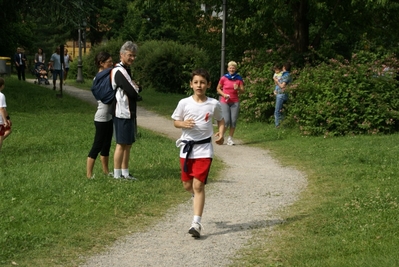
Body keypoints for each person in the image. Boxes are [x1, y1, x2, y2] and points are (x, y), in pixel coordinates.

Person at [171, 68, 225, 238]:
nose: (199, 85)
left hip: (204, 150)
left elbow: (220, 120)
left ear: (208, 84)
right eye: (196, 82)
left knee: (198, 185)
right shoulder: (184, 103)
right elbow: (175, 122)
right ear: (191, 84)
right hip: (187, 150)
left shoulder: (213, 103)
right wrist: (183, 124)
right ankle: (197, 197)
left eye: (202, 82)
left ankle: (196, 223)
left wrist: (221, 134)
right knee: (188, 185)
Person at [111, 41, 141, 180]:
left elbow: (135, 88)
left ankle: (125, 172)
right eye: (130, 55)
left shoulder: (126, 70)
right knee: (121, 144)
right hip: (122, 111)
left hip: (129, 112)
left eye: (134, 56)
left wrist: (136, 89)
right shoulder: (118, 70)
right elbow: (132, 90)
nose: (132, 58)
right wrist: (136, 90)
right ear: (122, 54)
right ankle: (117, 174)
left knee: (128, 144)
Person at [86, 52, 114, 179]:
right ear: (101, 63)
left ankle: (106, 171)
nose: (111, 63)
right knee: (97, 145)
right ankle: (89, 174)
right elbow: (105, 97)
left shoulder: (109, 75)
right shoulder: (98, 79)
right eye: (109, 61)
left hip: (109, 117)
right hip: (101, 117)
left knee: (106, 144)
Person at [216, 61, 244, 146]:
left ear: (235, 69)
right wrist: (224, 94)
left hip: (235, 102)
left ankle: (230, 139)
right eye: (230, 68)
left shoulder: (239, 78)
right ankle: (221, 136)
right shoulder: (224, 78)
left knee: (233, 121)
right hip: (225, 101)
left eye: (233, 68)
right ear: (228, 68)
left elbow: (243, 91)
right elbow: (218, 88)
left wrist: (238, 88)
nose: (232, 69)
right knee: (226, 120)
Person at [274, 62, 292, 128]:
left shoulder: (286, 75)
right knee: (281, 111)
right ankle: (283, 125)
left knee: (277, 111)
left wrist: (276, 80)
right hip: (280, 94)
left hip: (282, 95)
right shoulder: (284, 75)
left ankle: (278, 126)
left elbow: (282, 85)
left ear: (284, 67)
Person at [0, 77, 12, 152]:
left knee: (8, 130)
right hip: (0, 120)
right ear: (2, 86)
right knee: (1, 137)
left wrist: (8, 118)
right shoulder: (1, 96)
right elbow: (1, 109)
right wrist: (5, 120)